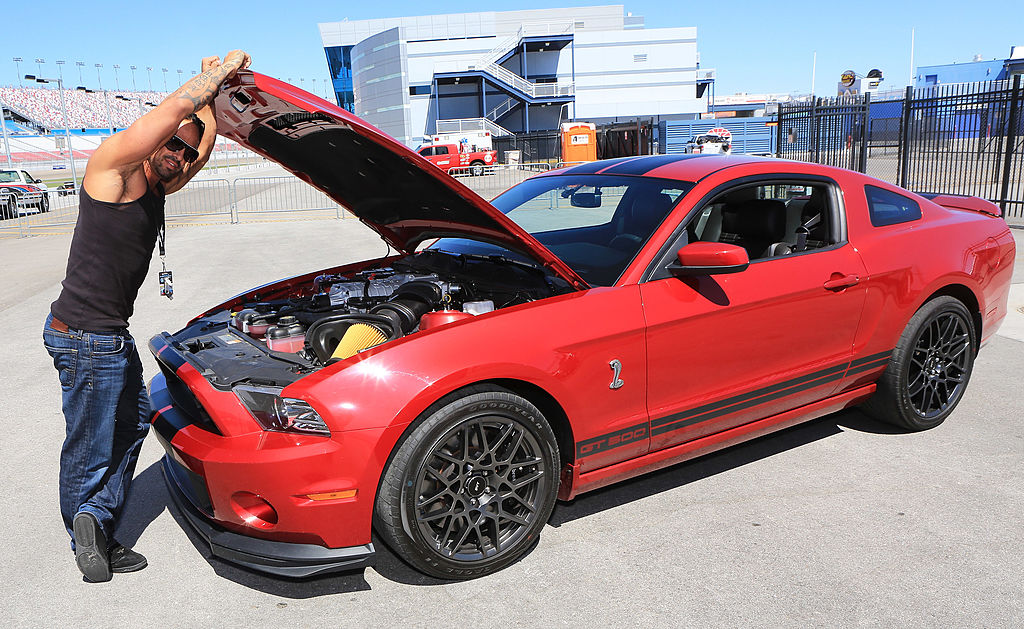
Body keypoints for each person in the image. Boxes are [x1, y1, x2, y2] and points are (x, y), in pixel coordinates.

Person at [42, 50, 251, 583]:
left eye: (184, 150)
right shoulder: (114, 167)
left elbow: (199, 148)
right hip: (83, 337)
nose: (180, 155)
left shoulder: (161, 182)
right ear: (154, 140)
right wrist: (215, 75)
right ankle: (86, 533)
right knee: (91, 444)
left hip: (108, 337)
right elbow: (174, 110)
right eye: (172, 144)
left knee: (135, 422)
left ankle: (98, 522)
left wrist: (206, 119)